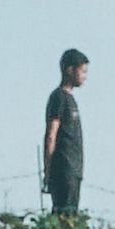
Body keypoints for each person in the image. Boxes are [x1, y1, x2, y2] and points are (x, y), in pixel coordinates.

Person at [40, 49, 89, 216]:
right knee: (63, 214)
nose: (85, 76)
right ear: (69, 70)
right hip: (63, 168)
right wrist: (48, 168)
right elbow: (51, 134)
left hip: (75, 169)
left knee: (72, 215)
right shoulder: (58, 97)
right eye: (82, 71)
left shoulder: (71, 99)